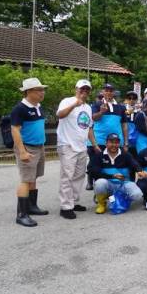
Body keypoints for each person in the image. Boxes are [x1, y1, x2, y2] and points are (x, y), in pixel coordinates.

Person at [56, 79, 99, 220]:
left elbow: (89, 128)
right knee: (67, 176)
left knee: (79, 176)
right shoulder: (67, 101)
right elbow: (60, 115)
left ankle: (73, 202)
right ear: (76, 89)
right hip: (67, 144)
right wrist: (75, 104)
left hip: (81, 146)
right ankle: (65, 207)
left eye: (87, 90)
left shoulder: (88, 107)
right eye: (82, 89)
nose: (84, 92)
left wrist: (94, 144)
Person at [11, 78, 49, 227]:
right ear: (29, 92)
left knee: (33, 178)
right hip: (27, 147)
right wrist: (22, 152)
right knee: (26, 180)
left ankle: (31, 207)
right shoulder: (20, 108)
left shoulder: (38, 106)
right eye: (39, 90)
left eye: (42, 89)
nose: (42, 92)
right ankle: (21, 214)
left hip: (39, 146)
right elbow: (15, 130)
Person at [91, 133, 146, 214]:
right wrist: (112, 176)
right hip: (108, 184)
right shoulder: (99, 156)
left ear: (119, 144)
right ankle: (101, 204)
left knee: (137, 195)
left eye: (116, 143)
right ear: (106, 143)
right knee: (99, 183)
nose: (114, 145)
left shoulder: (125, 154)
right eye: (111, 142)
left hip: (124, 183)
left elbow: (134, 164)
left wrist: (140, 171)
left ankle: (120, 199)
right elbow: (93, 172)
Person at [87, 83, 128, 190]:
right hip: (99, 141)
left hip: (115, 142)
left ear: (113, 92)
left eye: (110, 90)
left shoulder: (120, 107)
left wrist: (125, 142)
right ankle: (96, 187)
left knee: (112, 166)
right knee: (96, 166)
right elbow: (93, 118)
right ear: (103, 92)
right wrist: (101, 112)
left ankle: (112, 188)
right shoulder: (96, 105)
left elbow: (124, 125)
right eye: (106, 90)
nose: (108, 92)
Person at [124, 90, 140, 158]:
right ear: (126, 99)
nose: (131, 100)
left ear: (136, 100)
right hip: (125, 139)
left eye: (133, 98)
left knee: (136, 159)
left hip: (136, 140)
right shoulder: (122, 109)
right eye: (129, 98)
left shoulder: (140, 111)